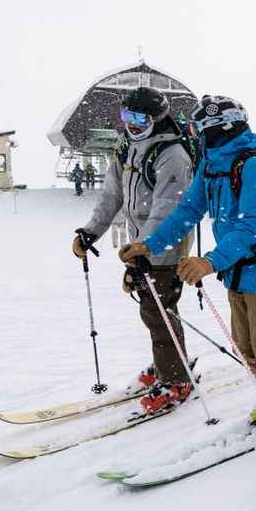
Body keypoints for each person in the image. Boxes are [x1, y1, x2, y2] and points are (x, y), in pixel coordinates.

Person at [120, 95, 256, 423]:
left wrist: (209, 262)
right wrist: (150, 244)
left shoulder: (255, 166)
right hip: (237, 270)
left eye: (208, 129)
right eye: (201, 129)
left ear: (229, 127)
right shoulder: (211, 165)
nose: (203, 135)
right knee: (246, 345)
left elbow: (250, 227)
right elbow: (188, 210)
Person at [72, 87, 194, 414]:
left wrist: (146, 249)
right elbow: (112, 197)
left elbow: (167, 209)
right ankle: (168, 361)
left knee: (159, 308)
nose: (133, 124)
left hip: (165, 241)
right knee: (151, 307)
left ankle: (177, 378)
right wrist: (90, 232)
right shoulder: (126, 147)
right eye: (127, 116)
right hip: (140, 244)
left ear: (156, 118)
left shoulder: (172, 155)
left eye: (141, 118)